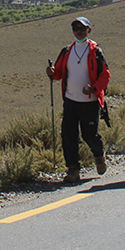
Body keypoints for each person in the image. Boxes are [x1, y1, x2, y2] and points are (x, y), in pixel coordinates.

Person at [47, 16, 110, 183]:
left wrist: (94, 88)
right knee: (68, 135)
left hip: (89, 102)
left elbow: (105, 75)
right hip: (70, 101)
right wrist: (52, 73)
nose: (79, 31)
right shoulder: (67, 51)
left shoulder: (96, 52)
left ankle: (98, 154)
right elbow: (59, 73)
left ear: (89, 30)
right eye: (76, 29)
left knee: (89, 135)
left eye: (82, 28)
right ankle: (73, 170)